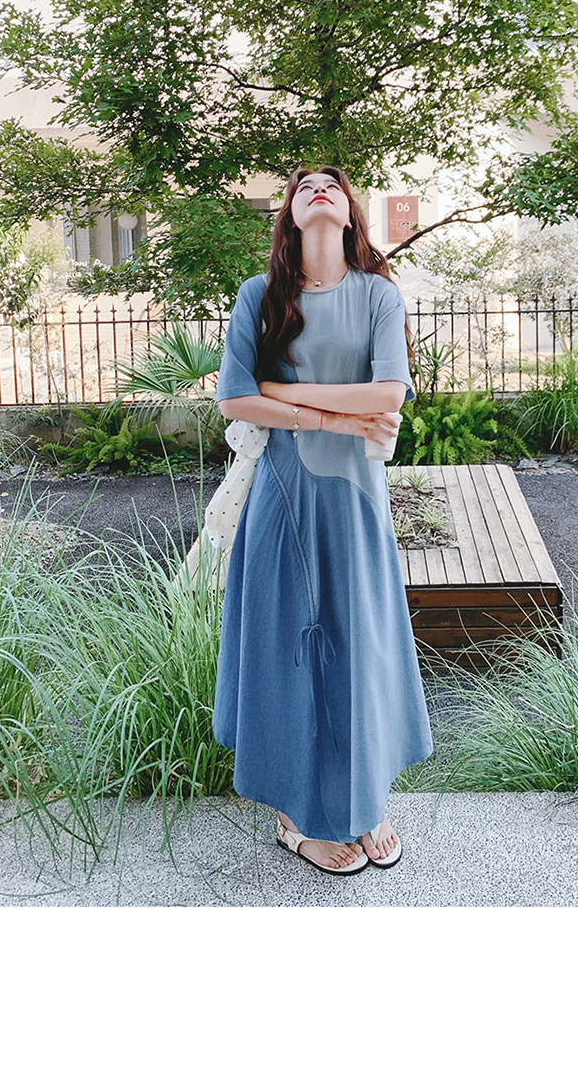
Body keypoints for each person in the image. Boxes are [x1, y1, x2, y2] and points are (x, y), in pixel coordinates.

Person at [212, 165, 433, 875]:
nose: (317, 189)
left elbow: (390, 391)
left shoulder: (377, 295)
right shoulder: (260, 295)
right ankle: (293, 821)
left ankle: (367, 804)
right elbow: (234, 398)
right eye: (303, 186)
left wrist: (285, 394)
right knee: (288, 655)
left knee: (362, 648)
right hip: (282, 501)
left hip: (356, 503)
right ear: (289, 214)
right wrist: (330, 416)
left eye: (331, 185)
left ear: (349, 212)